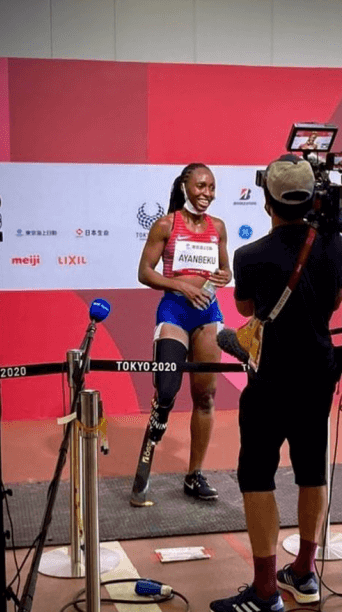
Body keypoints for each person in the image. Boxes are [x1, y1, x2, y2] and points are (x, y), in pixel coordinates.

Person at [210, 154, 342, 612]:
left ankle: (266, 592)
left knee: (257, 475)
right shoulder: (336, 248)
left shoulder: (250, 257)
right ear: (313, 198)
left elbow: (250, 308)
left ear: (267, 202)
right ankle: (305, 573)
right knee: (312, 470)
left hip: (270, 380)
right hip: (318, 376)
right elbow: (332, 304)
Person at [131, 163, 231, 505]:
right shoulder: (165, 224)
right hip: (174, 310)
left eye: (212, 187)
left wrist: (223, 276)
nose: (207, 193)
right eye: (201, 186)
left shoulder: (217, 227)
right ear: (185, 186)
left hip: (208, 313)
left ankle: (194, 475)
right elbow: (144, 272)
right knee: (167, 391)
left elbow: (226, 269)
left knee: (205, 397)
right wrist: (180, 287)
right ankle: (145, 465)